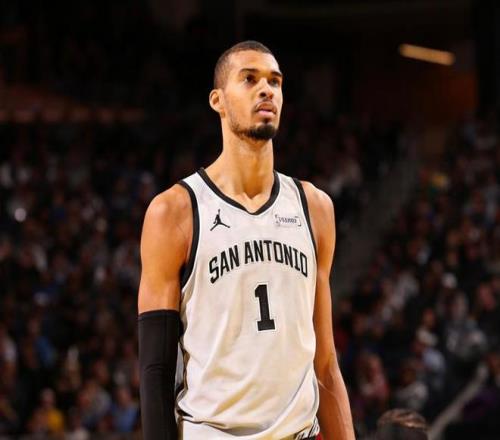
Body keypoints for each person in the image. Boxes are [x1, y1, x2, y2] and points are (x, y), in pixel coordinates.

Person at [138, 40, 355, 440]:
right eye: (250, 79)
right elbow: (156, 372)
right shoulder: (175, 211)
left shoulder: (315, 208)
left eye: (275, 81)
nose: (266, 90)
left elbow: (325, 364)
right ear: (218, 100)